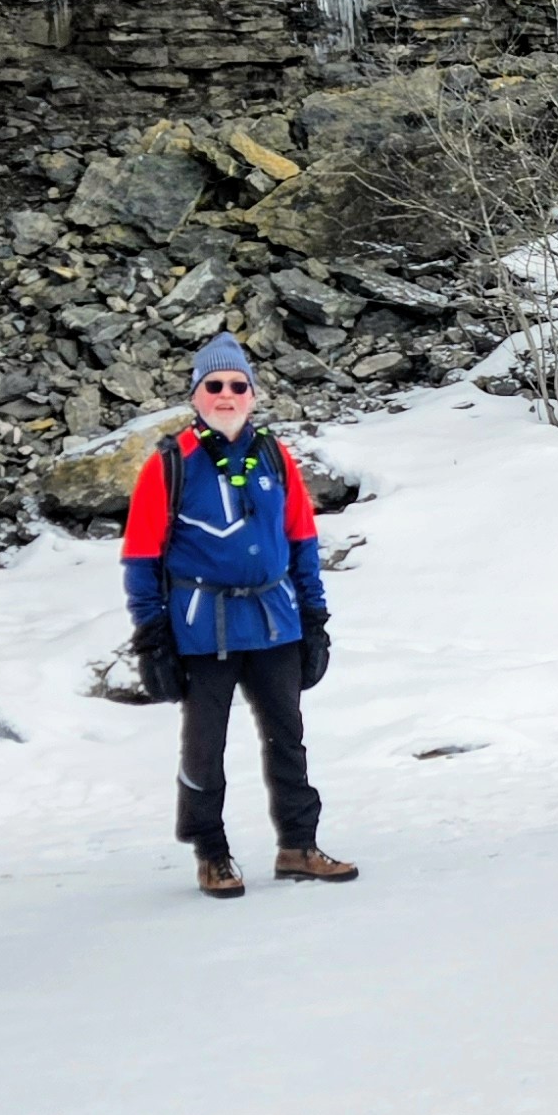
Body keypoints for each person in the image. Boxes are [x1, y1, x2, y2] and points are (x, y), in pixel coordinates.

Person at [122, 336, 349, 898]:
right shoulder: (171, 464)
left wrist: (314, 616)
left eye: (237, 385)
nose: (227, 395)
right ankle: (212, 853)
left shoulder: (275, 455)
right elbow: (142, 557)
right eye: (214, 385)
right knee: (205, 745)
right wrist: (152, 637)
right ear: (197, 395)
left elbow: (301, 539)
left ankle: (299, 845)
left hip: (274, 619)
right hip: (202, 624)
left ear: (252, 393)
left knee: (288, 737)